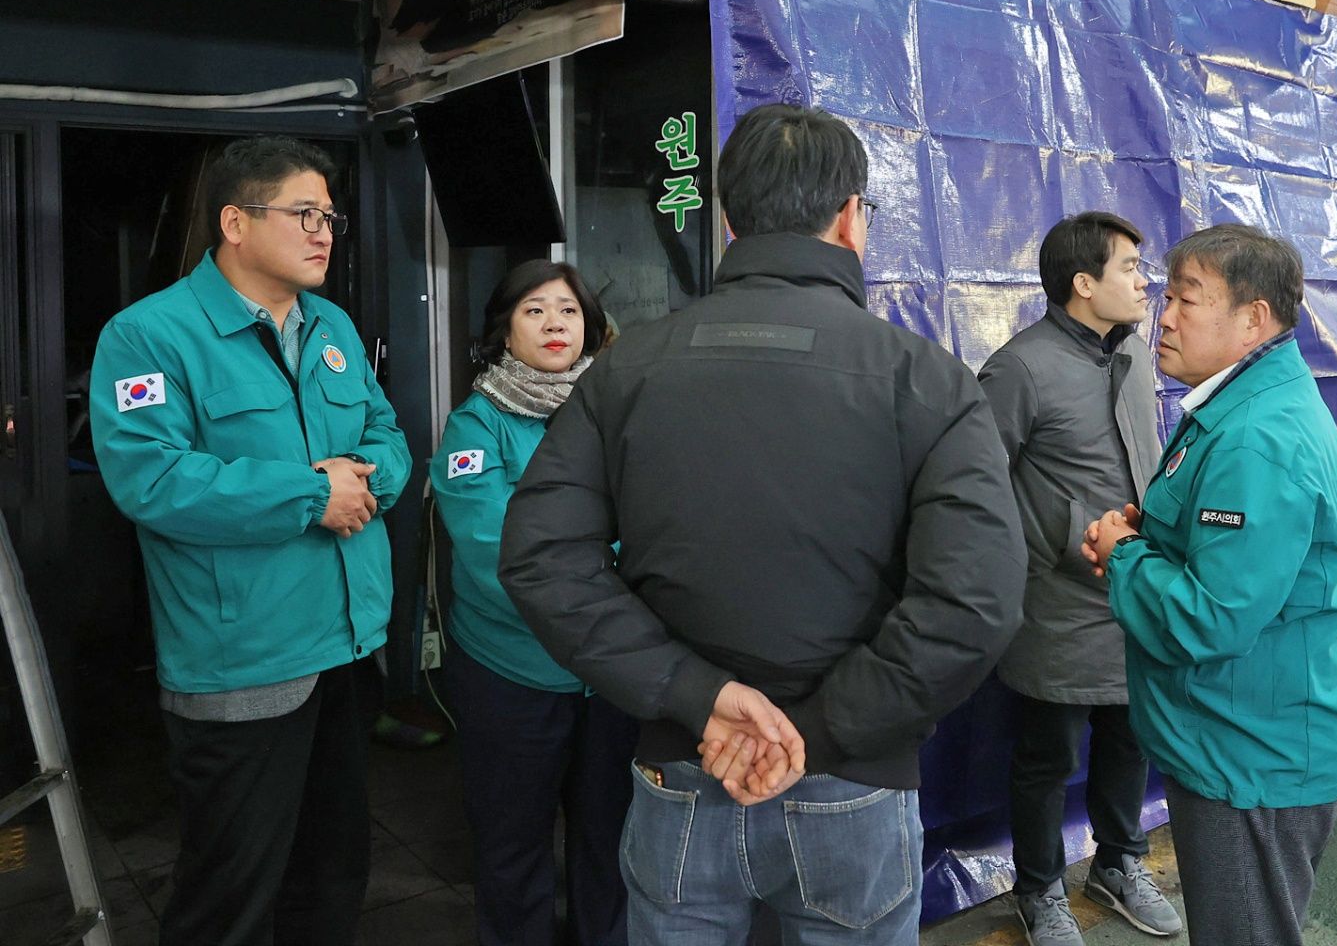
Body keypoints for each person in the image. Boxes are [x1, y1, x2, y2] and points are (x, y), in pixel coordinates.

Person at [498, 102, 1027, 945]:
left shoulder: (629, 367)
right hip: (853, 784)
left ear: (729, 218)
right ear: (853, 217)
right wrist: (815, 734)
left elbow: (540, 558)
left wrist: (699, 700)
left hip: (683, 765)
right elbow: (974, 604)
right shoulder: (924, 378)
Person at [89, 135, 411, 945]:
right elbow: (152, 480)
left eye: (328, 216)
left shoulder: (330, 323)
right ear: (235, 221)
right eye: (304, 213)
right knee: (230, 889)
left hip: (348, 642)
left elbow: (387, 435)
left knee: (333, 870)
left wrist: (363, 479)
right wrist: (313, 492)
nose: (324, 232)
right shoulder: (149, 335)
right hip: (245, 660)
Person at [1083, 223, 1337, 946]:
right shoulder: (1234, 407)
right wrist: (1149, 539)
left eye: (1188, 300)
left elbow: (1211, 619)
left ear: (1255, 319)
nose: (1166, 316)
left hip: (1250, 755)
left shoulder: (1255, 438)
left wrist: (1123, 557)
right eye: (1168, 295)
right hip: (1236, 735)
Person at [978, 213, 1182, 945]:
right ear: (1083, 283)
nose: (1144, 281)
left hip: (1136, 592)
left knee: (1131, 737)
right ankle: (1038, 892)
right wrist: (1070, 537)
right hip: (1058, 605)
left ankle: (1119, 863)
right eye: (1129, 268)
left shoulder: (1134, 357)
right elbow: (979, 483)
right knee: (1047, 755)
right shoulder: (1019, 368)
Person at [431, 260, 634, 946]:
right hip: (512, 672)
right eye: (536, 311)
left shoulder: (616, 412)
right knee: (512, 847)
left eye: (569, 311)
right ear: (504, 331)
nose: (555, 324)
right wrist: (609, 598)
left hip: (608, 679)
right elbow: (496, 557)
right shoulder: (474, 428)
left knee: (609, 842)